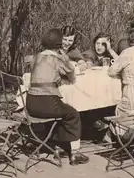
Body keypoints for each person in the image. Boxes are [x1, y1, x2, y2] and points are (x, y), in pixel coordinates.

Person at [25, 28, 89, 166]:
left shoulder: (36, 58)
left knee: (63, 112)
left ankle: (60, 148)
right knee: (73, 114)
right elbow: (71, 74)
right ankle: (75, 153)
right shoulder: (56, 58)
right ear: (59, 45)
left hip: (30, 104)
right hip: (47, 102)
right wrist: (64, 57)